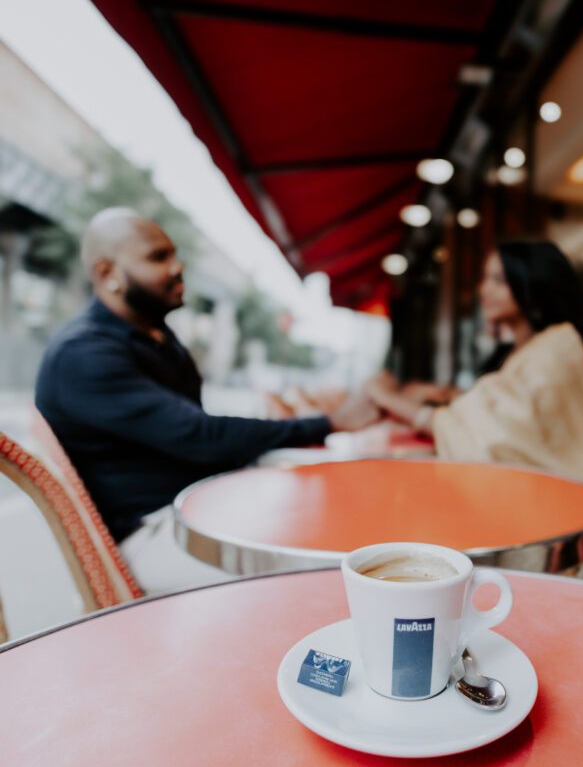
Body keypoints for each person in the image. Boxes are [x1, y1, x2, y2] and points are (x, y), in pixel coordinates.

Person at [35, 207, 379, 592]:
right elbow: (200, 436)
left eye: (174, 254)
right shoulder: (83, 354)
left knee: (331, 518)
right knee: (321, 572)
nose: (177, 267)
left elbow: (200, 437)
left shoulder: (156, 337)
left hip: (196, 508)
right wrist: (329, 423)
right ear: (106, 273)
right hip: (151, 536)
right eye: (157, 257)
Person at [366, 240, 583, 592]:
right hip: (538, 498)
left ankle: (414, 599)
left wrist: (386, 396)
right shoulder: (529, 352)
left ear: (532, 285)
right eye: (485, 279)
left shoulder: (557, 350)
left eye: (498, 281)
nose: (483, 290)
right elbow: (494, 416)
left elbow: (490, 433)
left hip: (573, 513)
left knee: (416, 502)